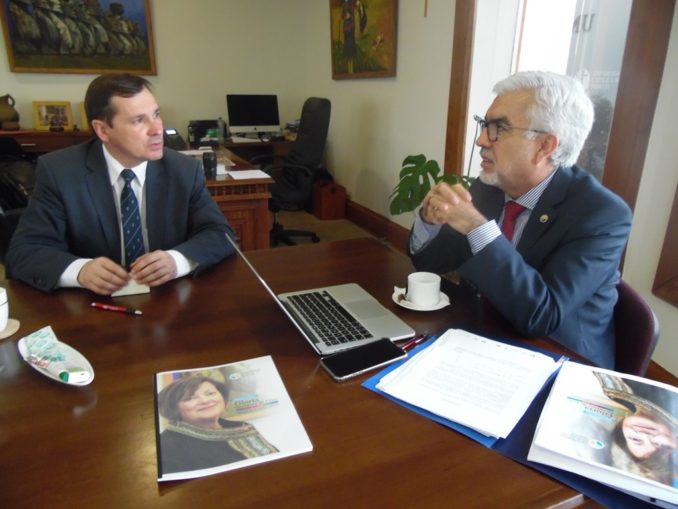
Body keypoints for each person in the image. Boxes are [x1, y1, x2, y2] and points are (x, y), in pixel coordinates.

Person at [408, 71, 632, 368]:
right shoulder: (490, 186)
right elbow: (432, 264)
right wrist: (429, 220)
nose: (481, 140)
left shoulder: (601, 215)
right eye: (484, 125)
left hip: (562, 363)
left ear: (545, 146)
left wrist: (477, 227)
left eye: (498, 129)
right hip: (491, 337)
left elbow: (541, 315)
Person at [7, 73, 234, 294]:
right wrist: (81, 271)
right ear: (103, 130)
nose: (157, 130)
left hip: (169, 299)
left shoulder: (183, 170)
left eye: (156, 114)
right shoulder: (60, 172)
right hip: (91, 305)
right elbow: (25, 251)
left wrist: (177, 260)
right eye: (138, 120)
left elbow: (219, 233)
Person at [157, 376, 278, 474]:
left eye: (210, 393)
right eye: (190, 398)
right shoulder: (166, 445)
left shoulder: (242, 427)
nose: (205, 401)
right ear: (173, 408)